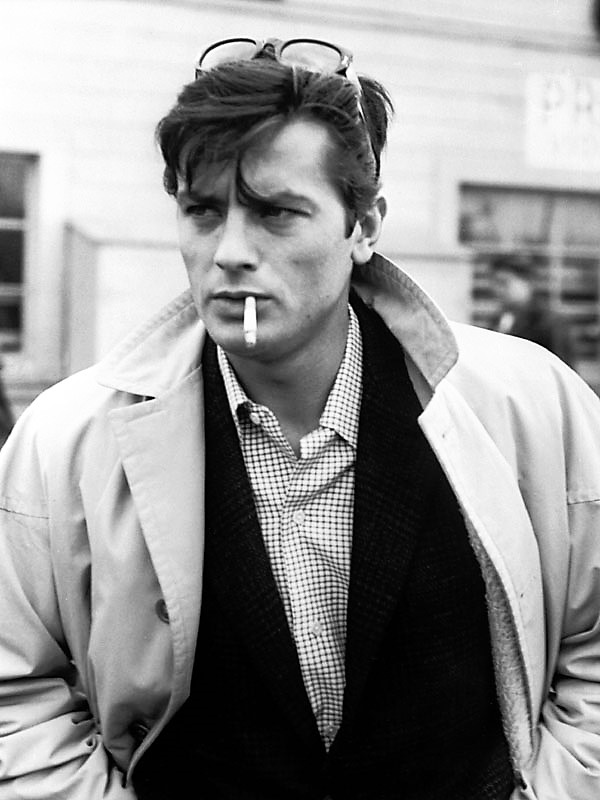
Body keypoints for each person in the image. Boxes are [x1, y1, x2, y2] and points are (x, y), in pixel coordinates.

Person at [0, 36, 599, 800]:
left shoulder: (528, 404)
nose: (230, 252)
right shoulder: (66, 442)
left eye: (276, 212)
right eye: (202, 210)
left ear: (363, 226)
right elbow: (18, 694)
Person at [489, 252, 575, 366]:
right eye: (494, 283)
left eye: (504, 283)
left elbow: (562, 368)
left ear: (527, 282)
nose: (497, 289)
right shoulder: (499, 319)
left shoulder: (550, 322)